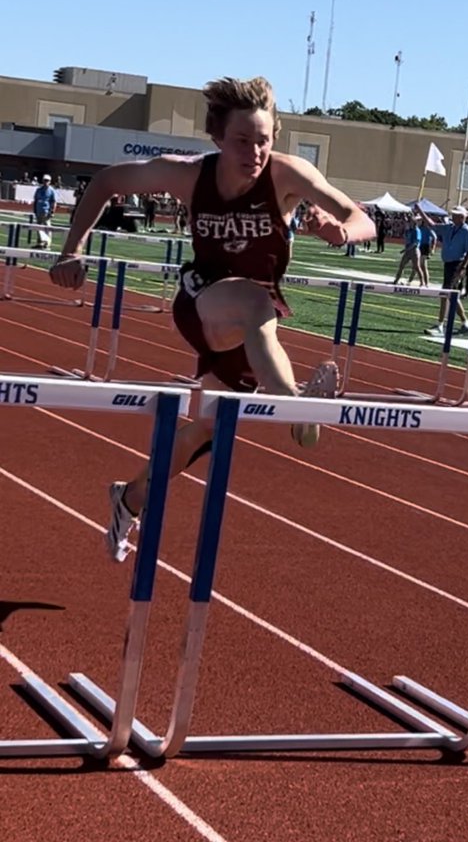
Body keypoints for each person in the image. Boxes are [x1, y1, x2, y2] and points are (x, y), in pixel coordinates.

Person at [50, 75, 375, 562]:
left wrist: (339, 231)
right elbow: (106, 182)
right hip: (201, 301)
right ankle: (298, 413)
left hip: (251, 329)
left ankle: (129, 498)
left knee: (207, 427)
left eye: (263, 140)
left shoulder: (289, 175)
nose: (255, 151)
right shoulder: (187, 176)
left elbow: (362, 218)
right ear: (218, 138)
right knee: (255, 306)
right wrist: (71, 250)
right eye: (242, 141)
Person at [416, 204, 468, 337]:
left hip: (457, 264)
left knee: (445, 293)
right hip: (448, 264)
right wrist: (421, 211)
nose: (452, 216)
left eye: (455, 215)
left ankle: (441, 324)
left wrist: (462, 268)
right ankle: (465, 323)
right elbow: (432, 225)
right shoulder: (449, 228)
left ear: (462, 217)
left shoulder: (467, 232)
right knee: (451, 295)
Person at [393, 214, 423, 285]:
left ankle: (422, 282)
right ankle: (396, 280)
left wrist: (406, 249)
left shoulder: (416, 231)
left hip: (414, 250)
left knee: (417, 267)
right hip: (408, 250)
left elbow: (415, 242)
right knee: (401, 265)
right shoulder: (409, 230)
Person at [33, 174, 57, 249]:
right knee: (39, 227)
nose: (46, 182)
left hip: (46, 211)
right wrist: (34, 210)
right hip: (39, 211)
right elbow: (36, 200)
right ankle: (40, 242)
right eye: (44, 180)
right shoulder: (39, 190)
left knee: (47, 227)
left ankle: (47, 244)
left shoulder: (52, 191)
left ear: (50, 181)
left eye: (47, 180)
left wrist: (52, 211)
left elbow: (54, 202)